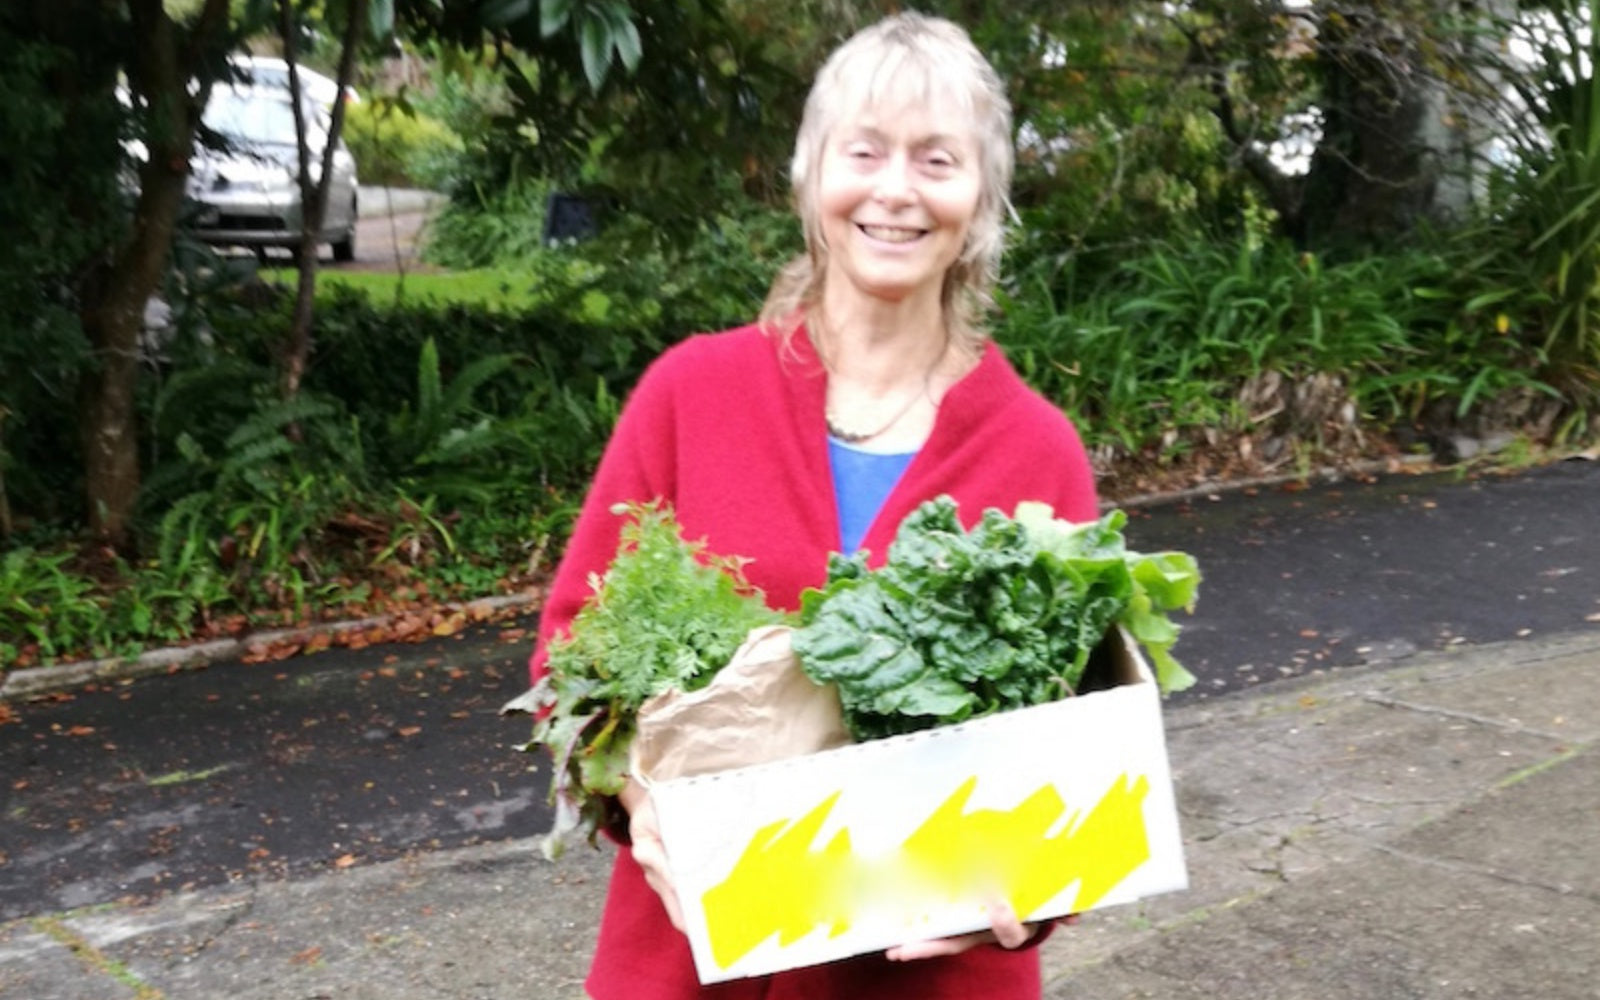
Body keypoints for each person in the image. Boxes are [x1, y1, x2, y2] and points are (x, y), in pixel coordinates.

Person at [528, 11, 1099, 999]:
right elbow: (569, 656)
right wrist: (631, 795)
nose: (893, 189)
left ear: (980, 197)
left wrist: (1031, 895)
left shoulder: (1034, 448)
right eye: (864, 150)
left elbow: (1087, 748)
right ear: (811, 176)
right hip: (687, 960)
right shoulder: (690, 395)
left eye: (936, 159)